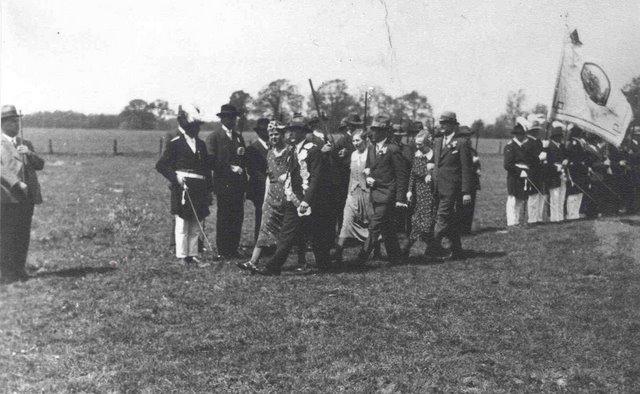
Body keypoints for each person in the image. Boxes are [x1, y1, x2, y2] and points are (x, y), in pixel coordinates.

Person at [249, 114, 330, 275]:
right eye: (290, 130)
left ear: (303, 132)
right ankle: (273, 267)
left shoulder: (313, 150)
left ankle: (325, 264)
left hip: (310, 200)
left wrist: (307, 201)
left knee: (316, 234)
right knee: (286, 235)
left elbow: (315, 178)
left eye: (295, 130)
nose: (291, 134)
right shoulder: (292, 150)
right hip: (293, 200)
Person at [155, 104, 212, 267]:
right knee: (182, 223)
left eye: (198, 126)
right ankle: (181, 255)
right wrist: (176, 178)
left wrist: (209, 190)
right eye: (193, 126)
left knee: (195, 223)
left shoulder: (201, 144)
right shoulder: (175, 143)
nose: (196, 129)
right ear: (187, 126)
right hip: (183, 187)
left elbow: (206, 168)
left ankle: (192, 255)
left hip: (199, 187)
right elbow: (161, 165)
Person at [356, 116, 408, 265]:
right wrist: (368, 178)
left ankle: (361, 258)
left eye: (377, 130)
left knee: (375, 225)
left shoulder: (393, 149)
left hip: (388, 194)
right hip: (375, 193)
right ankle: (396, 257)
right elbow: (368, 169)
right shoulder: (371, 147)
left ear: (385, 132)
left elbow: (401, 175)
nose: (373, 132)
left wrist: (400, 198)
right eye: (372, 129)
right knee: (387, 227)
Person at [1, 105, 44, 284]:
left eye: (17, 121)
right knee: (6, 234)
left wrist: (29, 153)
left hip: (27, 197)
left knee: (23, 233)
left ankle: (20, 269)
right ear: (3, 123)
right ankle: (5, 273)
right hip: (7, 196)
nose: (16, 125)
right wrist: (17, 182)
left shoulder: (25, 143)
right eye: (12, 121)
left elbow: (40, 164)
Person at [239, 121, 291, 269]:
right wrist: (265, 199)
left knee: (286, 231)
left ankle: (286, 262)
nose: (274, 137)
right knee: (265, 228)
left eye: (277, 134)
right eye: (272, 134)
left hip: (287, 195)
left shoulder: (289, 151)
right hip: (272, 195)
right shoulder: (270, 153)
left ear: (282, 135)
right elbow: (269, 177)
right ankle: (252, 262)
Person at [431, 111, 473, 260]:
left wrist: (466, 191)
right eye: (440, 123)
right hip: (437, 187)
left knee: (441, 219)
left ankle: (432, 249)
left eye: (445, 123)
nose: (441, 126)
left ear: (453, 125)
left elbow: (466, 169)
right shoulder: (437, 141)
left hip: (451, 188)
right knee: (450, 220)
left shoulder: (461, 143)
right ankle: (458, 250)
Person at [206, 104, 247, 259]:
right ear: (222, 118)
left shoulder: (238, 137)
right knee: (224, 216)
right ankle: (223, 250)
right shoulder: (214, 137)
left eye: (233, 117)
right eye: (228, 117)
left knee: (238, 216)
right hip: (223, 183)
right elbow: (211, 160)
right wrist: (230, 167)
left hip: (238, 184)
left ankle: (233, 248)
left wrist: (241, 165)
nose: (232, 120)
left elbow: (243, 158)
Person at [332, 129, 372, 263]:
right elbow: (350, 176)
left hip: (367, 194)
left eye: (358, 140)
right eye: (353, 140)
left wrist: (371, 175)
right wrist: (349, 193)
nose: (355, 143)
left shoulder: (371, 154)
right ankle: (338, 252)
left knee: (370, 223)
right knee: (346, 221)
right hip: (353, 193)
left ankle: (367, 252)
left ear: (365, 140)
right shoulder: (353, 154)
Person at [406, 130, 436, 257]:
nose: (418, 146)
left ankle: (429, 247)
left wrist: (432, 175)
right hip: (418, 191)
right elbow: (412, 174)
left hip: (430, 191)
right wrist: (409, 190)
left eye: (420, 144)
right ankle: (431, 247)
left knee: (427, 221)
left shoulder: (434, 155)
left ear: (427, 143)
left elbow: (439, 173)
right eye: (416, 144)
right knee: (417, 219)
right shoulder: (417, 154)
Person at [331, 114, 362, 234]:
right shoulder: (343, 140)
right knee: (342, 205)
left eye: (357, 126)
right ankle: (341, 232)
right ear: (348, 126)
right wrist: (345, 155)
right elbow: (334, 156)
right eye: (353, 126)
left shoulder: (359, 138)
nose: (355, 128)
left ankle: (352, 231)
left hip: (356, 177)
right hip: (343, 178)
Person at [245, 117, 270, 241]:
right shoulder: (253, 148)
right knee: (261, 215)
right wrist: (267, 181)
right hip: (259, 188)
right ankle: (260, 243)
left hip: (272, 186)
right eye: (264, 130)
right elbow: (253, 170)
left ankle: (271, 243)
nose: (267, 133)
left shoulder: (272, 147)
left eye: (269, 130)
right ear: (259, 132)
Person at [503, 117, 530, 226]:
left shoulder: (522, 147)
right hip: (514, 177)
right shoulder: (510, 146)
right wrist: (519, 171)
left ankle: (516, 220)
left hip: (523, 176)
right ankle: (511, 222)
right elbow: (507, 165)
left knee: (520, 199)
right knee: (512, 199)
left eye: (523, 134)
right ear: (516, 135)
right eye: (520, 134)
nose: (522, 136)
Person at [457, 125, 481, 234]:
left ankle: (467, 228)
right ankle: (461, 229)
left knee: (470, 206)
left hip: (473, 181)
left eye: (469, 137)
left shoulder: (473, 151)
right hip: (462, 182)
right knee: (461, 206)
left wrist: (477, 166)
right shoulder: (458, 149)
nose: (468, 139)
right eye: (465, 137)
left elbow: (477, 166)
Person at [543, 121, 568, 222]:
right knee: (554, 196)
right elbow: (547, 163)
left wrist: (566, 160)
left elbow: (566, 156)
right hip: (553, 175)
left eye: (560, 136)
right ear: (554, 137)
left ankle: (560, 217)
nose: (560, 138)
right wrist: (555, 167)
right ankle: (554, 218)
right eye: (558, 136)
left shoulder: (561, 146)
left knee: (562, 196)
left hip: (562, 173)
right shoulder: (549, 146)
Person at [523, 116, 545, 224]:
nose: (537, 132)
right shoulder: (528, 144)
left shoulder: (538, 142)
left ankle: (538, 217)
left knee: (539, 195)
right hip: (532, 172)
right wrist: (538, 158)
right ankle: (532, 218)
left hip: (539, 171)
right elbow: (527, 159)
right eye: (535, 130)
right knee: (533, 196)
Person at [565, 125, 589, 220]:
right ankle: (571, 214)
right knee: (573, 192)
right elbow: (572, 156)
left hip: (580, 170)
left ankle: (576, 213)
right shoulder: (572, 143)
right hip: (575, 169)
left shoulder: (580, 142)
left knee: (579, 192)